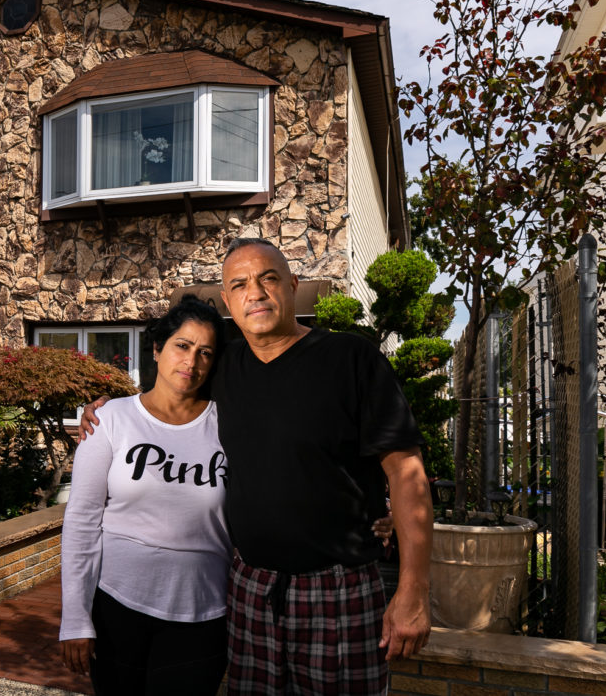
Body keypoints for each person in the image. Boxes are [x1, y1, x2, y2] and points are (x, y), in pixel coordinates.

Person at [82, 237, 432, 695]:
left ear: (291, 284)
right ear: (227, 300)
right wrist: (107, 408)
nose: (257, 292)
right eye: (240, 284)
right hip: (250, 588)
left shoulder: (351, 358)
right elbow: (163, 399)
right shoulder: (222, 365)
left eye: (268, 278)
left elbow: (406, 471)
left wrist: (413, 590)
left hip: (337, 588)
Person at [60, 295, 231, 695]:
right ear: (156, 349)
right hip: (118, 608)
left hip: (204, 614)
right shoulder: (110, 419)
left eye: (205, 352)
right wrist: (76, 618)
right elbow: (82, 522)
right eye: (182, 346)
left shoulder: (230, 427)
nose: (192, 361)